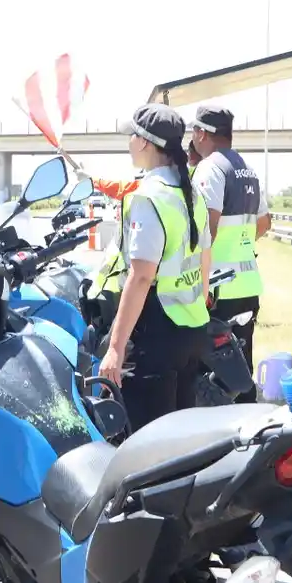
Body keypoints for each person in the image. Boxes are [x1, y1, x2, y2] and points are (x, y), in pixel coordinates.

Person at [89, 104, 212, 431]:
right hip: (192, 328)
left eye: (132, 136)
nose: (129, 142)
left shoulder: (148, 197)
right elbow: (205, 259)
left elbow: (141, 276)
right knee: (180, 438)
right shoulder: (192, 194)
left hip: (157, 335)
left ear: (145, 142)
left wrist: (115, 349)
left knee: (146, 446)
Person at [189, 102, 271, 371]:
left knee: (213, 375)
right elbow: (264, 222)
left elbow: (206, 231)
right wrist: (239, 245)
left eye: (193, 131)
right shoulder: (247, 168)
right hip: (247, 285)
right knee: (241, 367)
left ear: (202, 134)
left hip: (218, 287)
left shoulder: (210, 168)